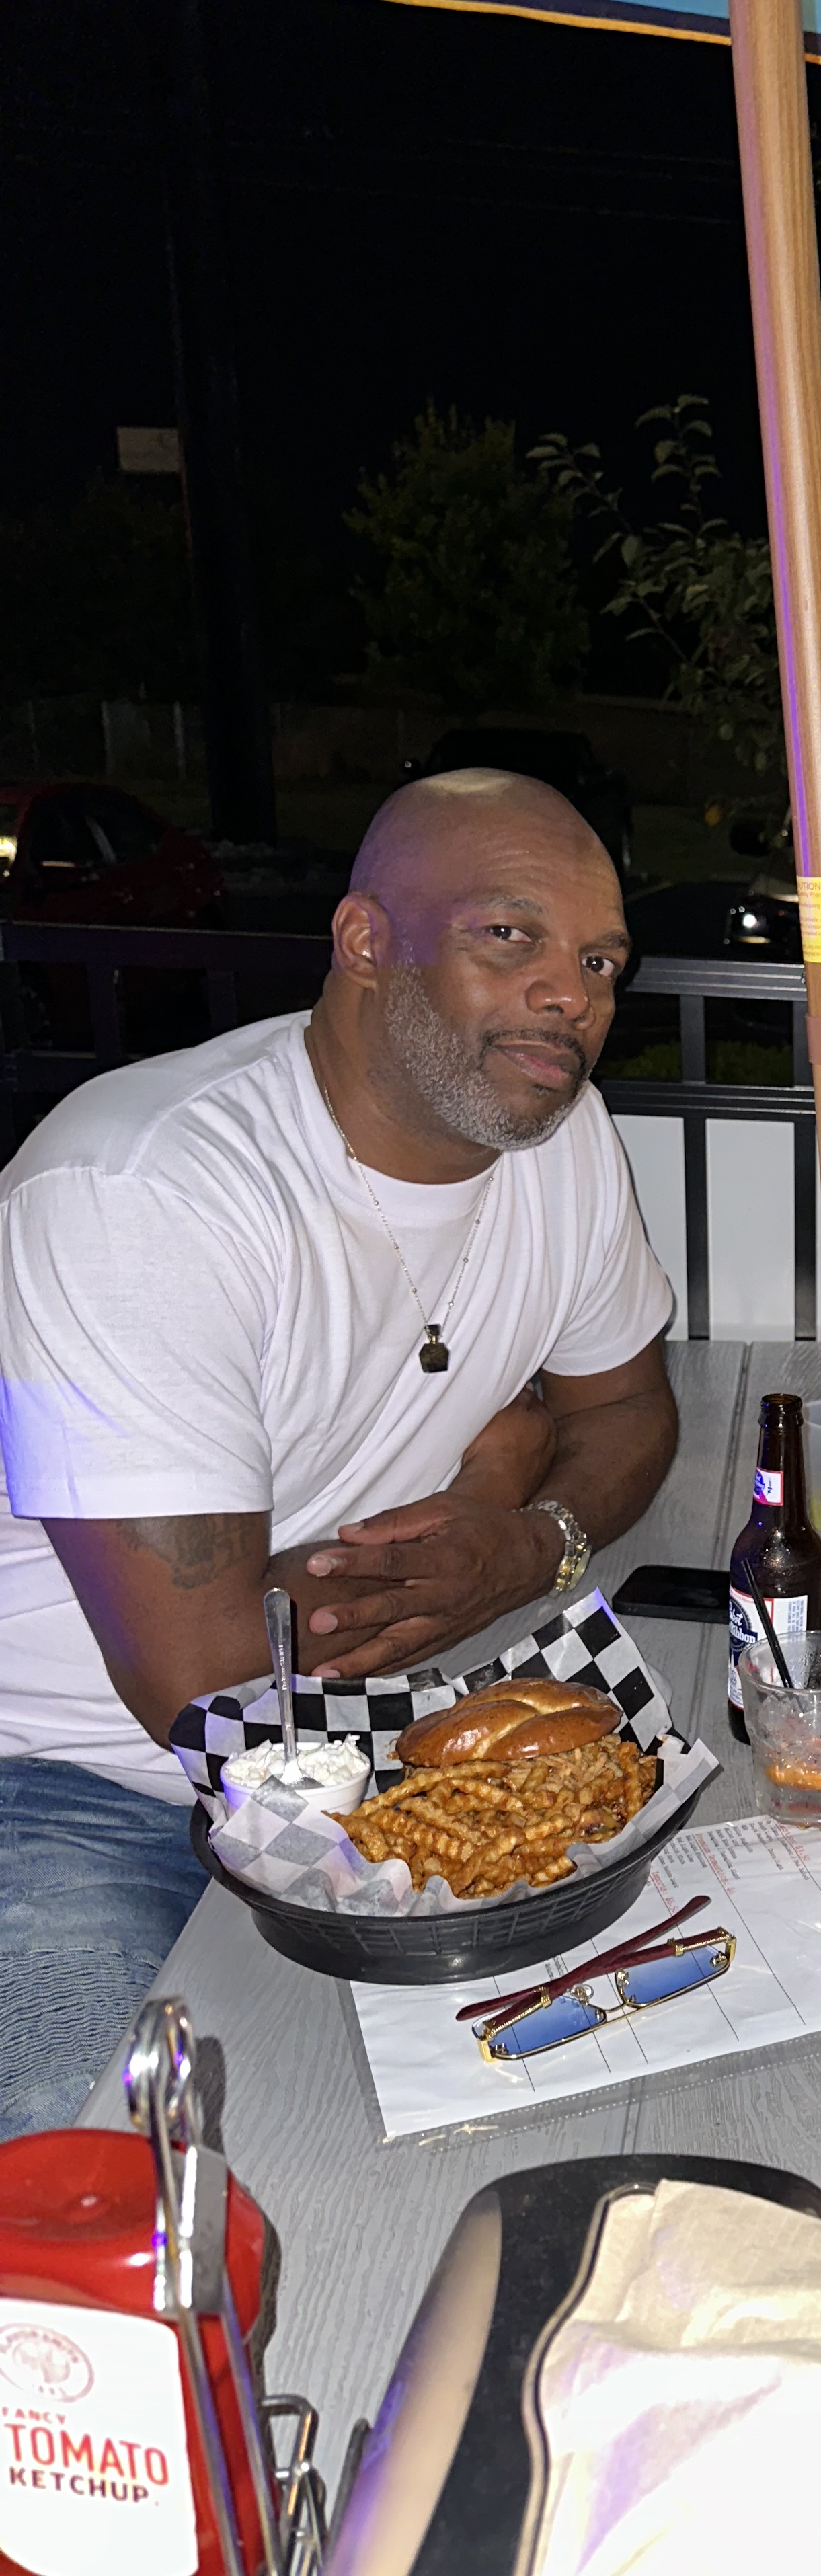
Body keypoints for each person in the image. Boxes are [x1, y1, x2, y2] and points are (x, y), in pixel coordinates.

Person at [0, 769, 678, 2138]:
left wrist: (526, 1543)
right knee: (87, 2163)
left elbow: (629, 1411)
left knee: (644, 2056)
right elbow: (210, 1685)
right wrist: (489, 1488)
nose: (571, 993)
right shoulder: (143, 1190)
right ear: (366, 941)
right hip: (74, 1785)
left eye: (601, 960)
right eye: (510, 935)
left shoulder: (563, 1141)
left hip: (386, 1724)